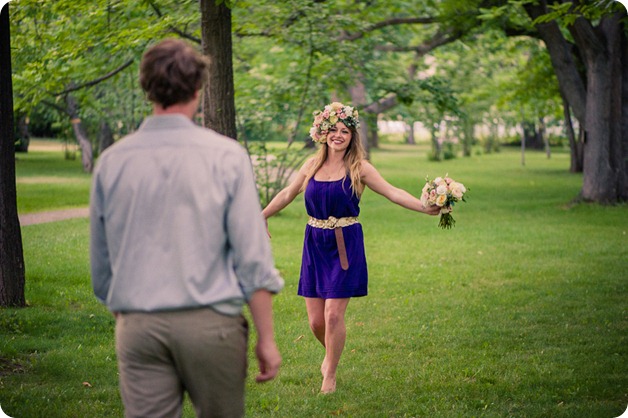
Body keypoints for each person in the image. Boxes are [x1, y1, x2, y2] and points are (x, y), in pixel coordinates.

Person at [90, 38, 284, 418]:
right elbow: (253, 257)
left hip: (138, 327)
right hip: (212, 327)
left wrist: (134, 317)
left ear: (146, 88)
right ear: (199, 89)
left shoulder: (112, 162)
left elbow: (102, 267)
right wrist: (267, 338)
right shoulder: (227, 157)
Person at [262, 102, 440, 394]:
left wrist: (424, 207)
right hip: (315, 243)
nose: (338, 135)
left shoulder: (360, 168)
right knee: (316, 322)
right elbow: (287, 193)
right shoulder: (312, 165)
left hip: (346, 243)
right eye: (333, 129)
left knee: (333, 315)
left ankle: (329, 374)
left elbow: (393, 192)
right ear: (323, 132)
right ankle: (331, 354)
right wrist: (262, 214)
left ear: (352, 136)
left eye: (345, 131)